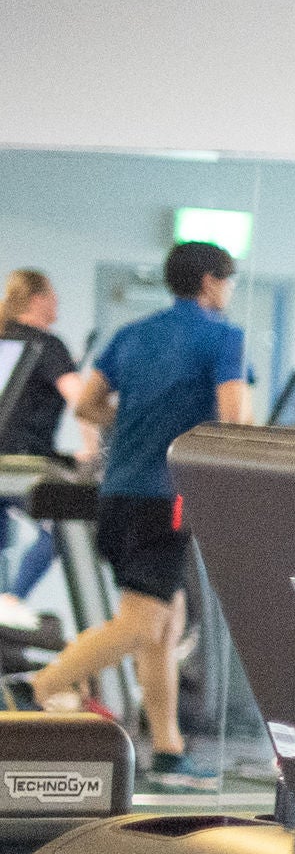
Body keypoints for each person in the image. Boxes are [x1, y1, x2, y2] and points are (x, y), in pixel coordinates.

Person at [14, 243, 246, 782]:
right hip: (166, 499)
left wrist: (139, 423)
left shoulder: (131, 335)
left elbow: (87, 405)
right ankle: (34, 689)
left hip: (117, 496)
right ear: (211, 283)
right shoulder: (223, 338)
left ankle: (168, 747)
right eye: (228, 281)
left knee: (165, 623)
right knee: (143, 621)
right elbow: (235, 423)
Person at [1, 269, 90, 601]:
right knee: (61, 525)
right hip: (23, 462)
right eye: (53, 295)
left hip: (9, 461)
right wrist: (92, 448)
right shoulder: (47, 345)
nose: (58, 302)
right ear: (38, 300)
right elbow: (82, 402)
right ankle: (12, 598)